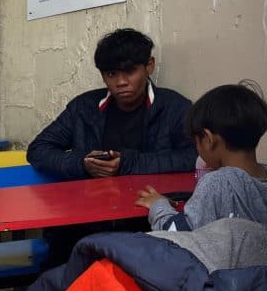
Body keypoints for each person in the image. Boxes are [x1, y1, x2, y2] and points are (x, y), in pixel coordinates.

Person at [26, 28, 196, 180]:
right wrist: (84, 164)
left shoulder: (175, 107)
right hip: (93, 208)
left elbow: (196, 156)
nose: (121, 82)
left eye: (130, 71)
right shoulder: (83, 108)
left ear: (149, 66)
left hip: (151, 210)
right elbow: (38, 150)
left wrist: (128, 164)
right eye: (111, 73)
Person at [136, 81, 267, 231]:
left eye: (196, 141)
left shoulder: (216, 183)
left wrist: (158, 206)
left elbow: (177, 233)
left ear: (207, 139)